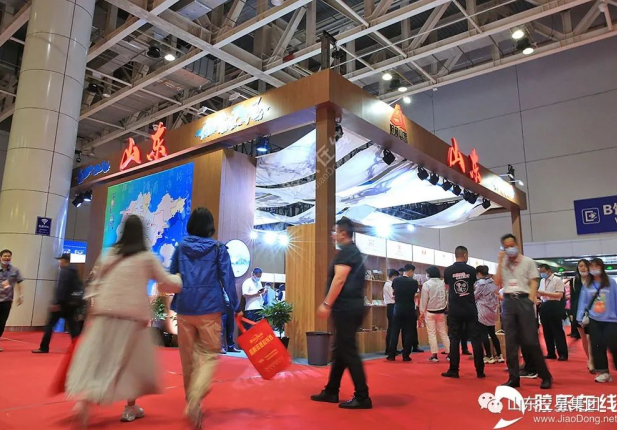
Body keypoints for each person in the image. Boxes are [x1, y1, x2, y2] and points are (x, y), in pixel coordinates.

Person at [66, 215, 182, 426]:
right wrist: (180, 279)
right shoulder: (146, 258)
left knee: (101, 360)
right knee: (132, 365)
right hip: (132, 319)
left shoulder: (109, 254)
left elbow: (95, 283)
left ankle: (85, 400)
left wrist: (91, 315)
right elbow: (166, 283)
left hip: (104, 315)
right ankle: (129, 408)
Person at [169, 207, 239, 427]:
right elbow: (227, 279)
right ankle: (195, 399)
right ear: (210, 226)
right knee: (209, 356)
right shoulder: (218, 248)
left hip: (184, 308)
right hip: (209, 308)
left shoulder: (181, 247)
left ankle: (193, 402)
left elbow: (172, 275)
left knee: (188, 360)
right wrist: (234, 305)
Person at [311, 217, 371, 409]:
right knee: (340, 351)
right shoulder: (351, 251)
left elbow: (339, 279)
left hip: (346, 308)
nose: (332, 235)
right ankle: (331, 390)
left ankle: (362, 396)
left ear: (343, 233)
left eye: (335, 231)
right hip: (349, 308)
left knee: (349, 351)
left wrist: (326, 304)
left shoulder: (347, 252)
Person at [495, 234, 552, 389]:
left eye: (511, 245)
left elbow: (533, 281)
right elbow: (497, 281)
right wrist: (499, 262)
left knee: (531, 341)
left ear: (517, 245)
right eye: (506, 247)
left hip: (524, 300)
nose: (509, 249)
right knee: (511, 342)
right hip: (508, 301)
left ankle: (545, 376)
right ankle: (513, 378)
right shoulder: (503, 263)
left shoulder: (528, 261)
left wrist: (530, 300)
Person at [442, 246, 485, 379]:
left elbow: (448, 287)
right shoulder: (471, 270)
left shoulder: (448, 271)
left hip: (455, 309)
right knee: (476, 339)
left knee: (454, 339)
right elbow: (473, 286)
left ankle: (454, 370)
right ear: (465, 255)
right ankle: (480, 371)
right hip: (470, 308)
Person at [576, 258, 617, 383]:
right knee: (597, 345)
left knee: (614, 345)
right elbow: (583, 301)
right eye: (592, 267)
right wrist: (579, 317)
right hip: (594, 319)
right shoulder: (588, 284)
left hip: (611, 319)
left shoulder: (610, 282)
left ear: (602, 267)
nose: (594, 269)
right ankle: (604, 372)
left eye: (596, 266)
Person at [32, 254, 83, 354]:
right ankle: (78, 348)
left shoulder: (64, 271)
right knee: (73, 327)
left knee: (50, 325)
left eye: (60, 260)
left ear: (64, 260)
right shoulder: (74, 272)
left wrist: (56, 302)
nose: (60, 262)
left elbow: (61, 288)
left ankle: (44, 347)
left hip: (61, 304)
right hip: (71, 304)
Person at [387, 264, 418, 362]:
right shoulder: (414, 282)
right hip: (409, 309)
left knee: (394, 331)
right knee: (408, 332)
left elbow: (393, 292)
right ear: (411, 271)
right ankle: (406, 355)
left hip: (398, 308)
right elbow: (415, 294)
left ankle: (391, 355)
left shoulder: (396, 280)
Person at [419, 265, 450, 362]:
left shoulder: (427, 284)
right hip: (441, 312)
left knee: (431, 334)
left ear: (429, 274)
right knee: (443, 333)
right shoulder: (442, 283)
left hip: (430, 312)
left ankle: (434, 355)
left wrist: (421, 312)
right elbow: (446, 297)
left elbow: (424, 299)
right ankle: (450, 354)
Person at [538, 264, 568, 361]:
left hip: (554, 305)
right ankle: (551, 352)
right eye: (540, 272)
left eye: (543, 271)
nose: (542, 273)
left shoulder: (557, 280)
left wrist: (545, 293)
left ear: (549, 271)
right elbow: (541, 293)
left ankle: (562, 353)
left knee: (557, 330)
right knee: (546, 331)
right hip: (544, 305)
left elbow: (559, 295)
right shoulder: (542, 281)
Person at [474, 265, 503, 364]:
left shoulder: (479, 284)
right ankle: (499, 355)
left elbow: (475, 296)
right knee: (492, 333)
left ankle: (489, 356)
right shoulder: (494, 282)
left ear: (479, 273)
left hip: (482, 310)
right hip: (492, 311)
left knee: (484, 334)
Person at [572, 259, 594, 372]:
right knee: (584, 338)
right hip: (578, 313)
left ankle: (592, 360)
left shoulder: (593, 279)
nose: (583, 268)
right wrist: (571, 313)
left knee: (590, 338)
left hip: (592, 312)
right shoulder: (574, 281)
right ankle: (589, 359)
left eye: (585, 266)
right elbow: (573, 298)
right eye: (580, 266)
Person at [0, 249, 24, 352]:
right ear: (0, 257)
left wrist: (21, 295)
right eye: (5, 256)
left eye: (9, 256)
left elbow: (19, 282)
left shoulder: (15, 270)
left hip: (7, 300)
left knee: (2, 323)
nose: (7, 258)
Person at [383, 269, 399, 356]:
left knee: (393, 328)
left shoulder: (389, 284)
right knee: (392, 329)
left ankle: (393, 348)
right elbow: (393, 296)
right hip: (391, 306)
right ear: (393, 276)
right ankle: (389, 349)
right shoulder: (389, 285)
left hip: (392, 306)